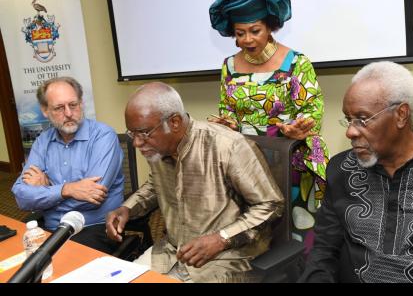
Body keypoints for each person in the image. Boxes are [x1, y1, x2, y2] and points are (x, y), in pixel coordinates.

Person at [106, 82, 284, 283]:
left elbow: (271, 204)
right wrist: (128, 209)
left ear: (174, 122)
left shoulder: (228, 146)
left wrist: (221, 238)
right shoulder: (157, 148)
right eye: (132, 134)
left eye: (143, 133)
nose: (137, 143)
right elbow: (156, 185)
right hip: (170, 252)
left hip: (226, 259)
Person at [299, 61, 413, 283]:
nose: (350, 131)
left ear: (401, 114)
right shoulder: (341, 170)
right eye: (348, 119)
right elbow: (324, 251)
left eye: (362, 119)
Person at [208, 0, 329, 250]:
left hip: (291, 160)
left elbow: (312, 110)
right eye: (240, 33)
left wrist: (299, 128)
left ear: (270, 26)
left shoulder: (296, 63)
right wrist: (224, 124)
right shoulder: (228, 66)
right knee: (258, 240)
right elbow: (228, 111)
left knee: (297, 238)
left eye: (254, 31)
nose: (247, 40)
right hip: (247, 164)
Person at [12, 76, 124, 254]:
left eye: (73, 105)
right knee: (17, 260)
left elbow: (93, 197)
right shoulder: (43, 142)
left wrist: (46, 192)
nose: (69, 113)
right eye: (59, 108)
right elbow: (22, 197)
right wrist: (67, 190)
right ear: (45, 110)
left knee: (59, 265)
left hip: (93, 227)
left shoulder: (103, 136)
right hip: (51, 226)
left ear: (81, 103)